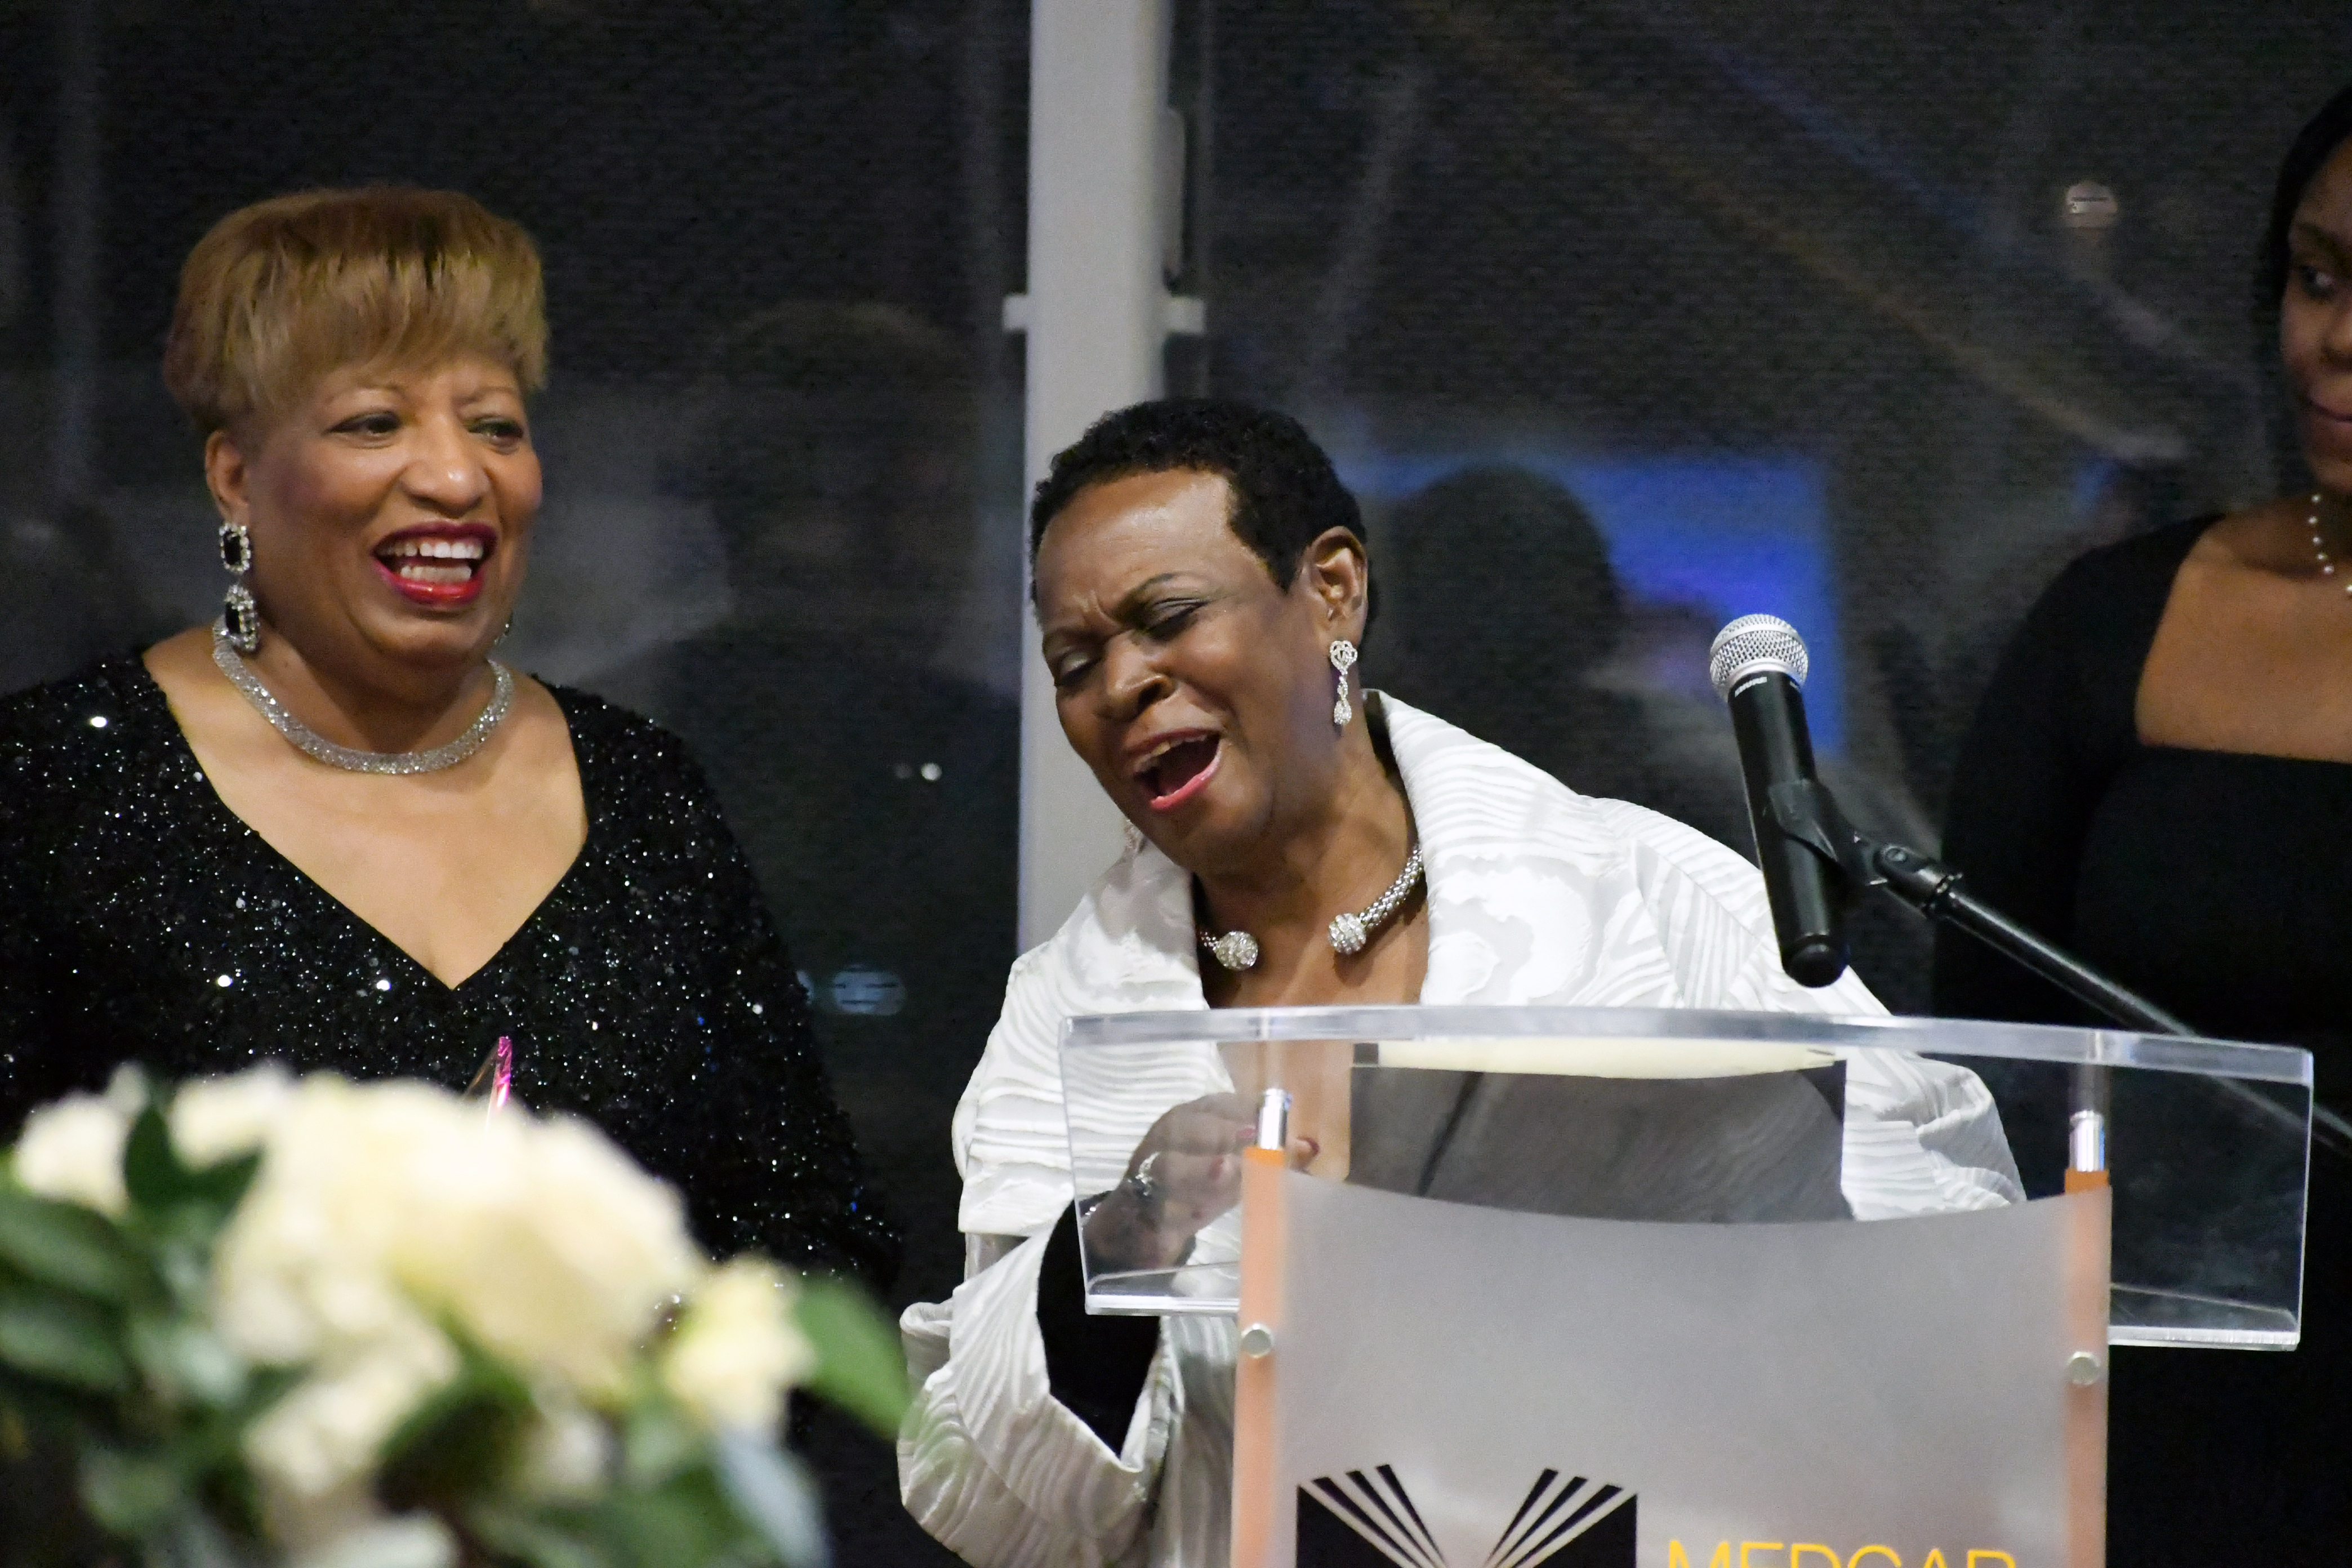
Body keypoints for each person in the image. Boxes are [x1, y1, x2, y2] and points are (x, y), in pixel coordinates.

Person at [898, 399, 2021, 1567]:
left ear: (1331, 589)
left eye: (1168, 617)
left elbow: (1948, 1255)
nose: (1123, 682)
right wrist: (1129, 1231)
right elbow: (994, 1499)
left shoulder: (1651, 896)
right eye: (1075, 663)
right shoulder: (1070, 1011)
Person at [0, 186, 893, 1285]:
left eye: (494, 425)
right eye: (374, 422)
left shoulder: (642, 789)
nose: (458, 476)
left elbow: (804, 1228)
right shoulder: (56, 783)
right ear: (235, 476)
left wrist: (629, 1388)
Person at [1934, 87, 2352, 1565]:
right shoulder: (2118, 619)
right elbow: (1977, 1055)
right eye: (2317, 276)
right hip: (2150, 1411)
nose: (2338, 342)